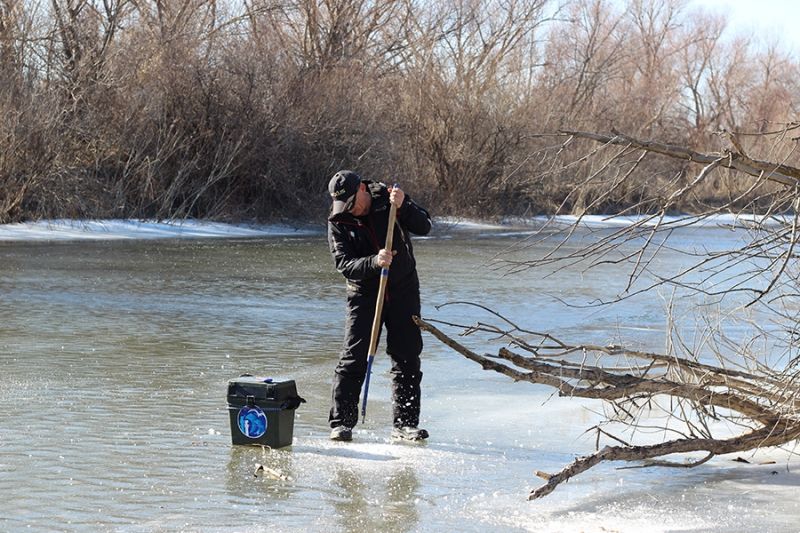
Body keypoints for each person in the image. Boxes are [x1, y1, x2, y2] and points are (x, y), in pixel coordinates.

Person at [326, 170, 432, 442]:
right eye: (344, 205)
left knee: (406, 355)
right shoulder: (338, 220)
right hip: (363, 292)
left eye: (353, 202)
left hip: (403, 289)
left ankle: (405, 424)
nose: (351, 209)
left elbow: (425, 226)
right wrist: (374, 262)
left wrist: (404, 205)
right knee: (354, 356)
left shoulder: (388, 199)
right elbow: (344, 264)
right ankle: (341, 423)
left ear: (362, 189)